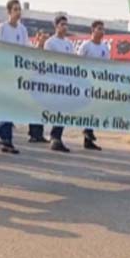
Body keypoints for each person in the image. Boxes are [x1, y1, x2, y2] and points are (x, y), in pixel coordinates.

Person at [0, 0, 32, 144]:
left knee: (11, 104)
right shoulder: (2, 28)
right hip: (4, 70)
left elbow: (25, 49)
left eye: (19, 9)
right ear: (9, 12)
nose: (18, 12)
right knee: (5, 103)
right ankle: (5, 137)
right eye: (15, 9)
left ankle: (2, 132)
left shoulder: (23, 29)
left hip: (17, 72)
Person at [43, 14, 75, 153]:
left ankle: (57, 137)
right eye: (62, 24)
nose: (65, 27)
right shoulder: (50, 43)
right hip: (54, 81)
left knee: (63, 110)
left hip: (66, 82)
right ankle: (52, 136)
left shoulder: (68, 44)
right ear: (56, 26)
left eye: (66, 25)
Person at [75, 20, 109, 151]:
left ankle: (88, 138)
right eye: (99, 28)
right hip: (85, 82)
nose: (102, 31)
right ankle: (86, 131)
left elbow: (107, 66)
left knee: (94, 110)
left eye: (103, 29)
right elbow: (78, 63)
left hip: (98, 84)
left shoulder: (105, 48)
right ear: (93, 30)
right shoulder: (85, 46)